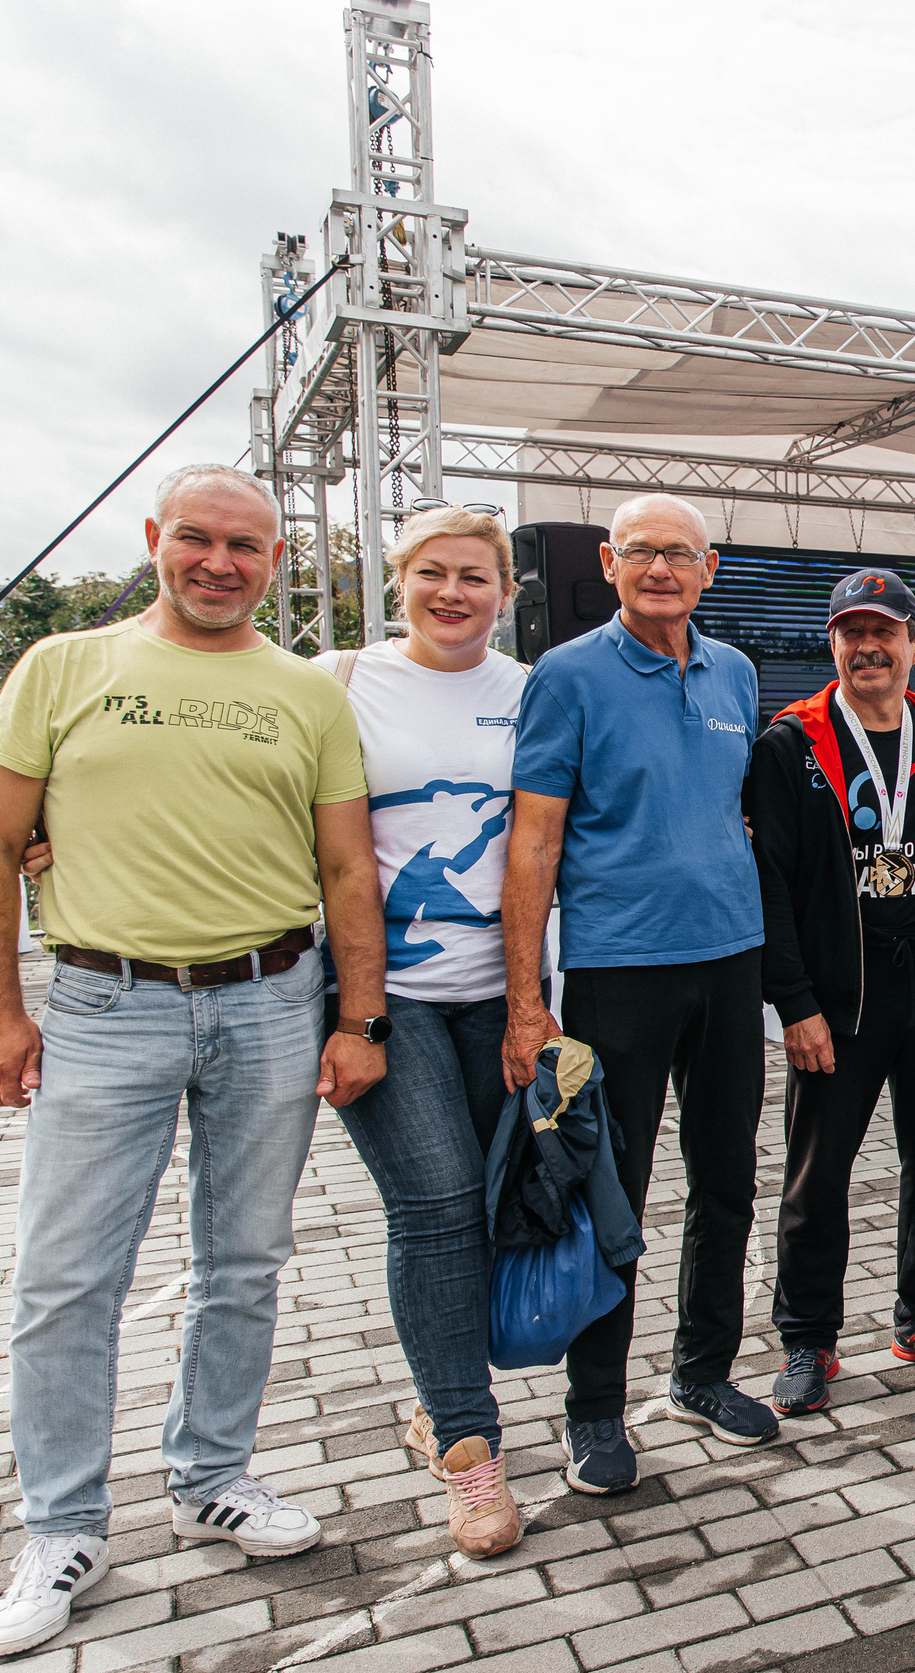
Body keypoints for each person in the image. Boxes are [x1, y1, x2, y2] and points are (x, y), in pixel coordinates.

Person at [0, 465, 385, 1659]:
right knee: (66, 1280)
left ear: (277, 563)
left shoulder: (304, 693)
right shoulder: (63, 668)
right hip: (105, 1003)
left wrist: (359, 1020)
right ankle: (60, 1528)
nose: (219, 563)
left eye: (246, 546)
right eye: (197, 539)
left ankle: (212, 1478)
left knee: (243, 1262)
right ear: (154, 540)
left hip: (272, 1003)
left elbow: (348, 868)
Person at [503, 493, 773, 1494]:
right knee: (610, 1197)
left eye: (682, 554)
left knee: (727, 1181)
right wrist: (526, 1000)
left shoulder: (734, 672)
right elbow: (532, 840)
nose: (663, 569)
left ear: (709, 570)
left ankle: (703, 1373)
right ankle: (594, 1410)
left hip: (729, 961)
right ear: (611, 562)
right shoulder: (566, 677)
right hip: (617, 969)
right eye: (644, 552)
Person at [314, 503, 527, 1558]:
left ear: (504, 590)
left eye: (475, 577)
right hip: (382, 998)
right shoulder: (338, 681)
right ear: (396, 580)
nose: (453, 593)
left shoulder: (531, 692)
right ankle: (468, 1448)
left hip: (507, 995)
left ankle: (438, 1393)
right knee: (437, 1205)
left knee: (486, 1211)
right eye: (432, 573)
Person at [747, 569, 915, 1417]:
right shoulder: (790, 743)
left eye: (884, 631)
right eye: (850, 631)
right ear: (833, 643)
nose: (867, 646)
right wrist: (794, 1003)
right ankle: (807, 1337)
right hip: (839, 996)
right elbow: (768, 885)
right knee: (818, 1176)